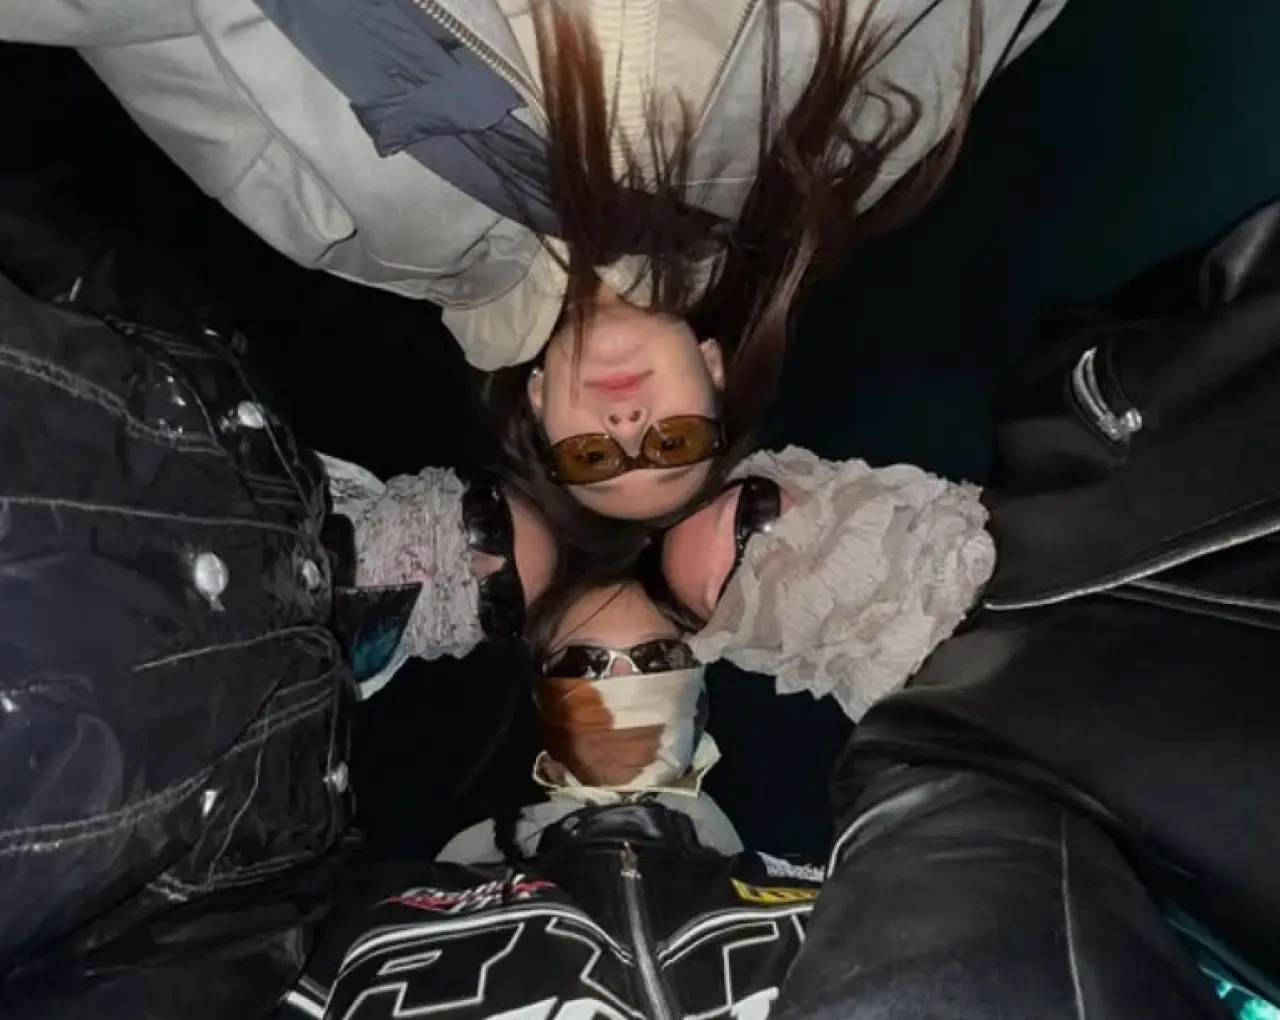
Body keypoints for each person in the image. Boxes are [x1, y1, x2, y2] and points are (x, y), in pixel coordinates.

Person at [2, 0, 1069, 522]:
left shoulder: (369, 247)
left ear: (540, 413)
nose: (625, 425)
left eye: (595, 458)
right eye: (673, 440)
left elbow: (165, 58)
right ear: (713, 368)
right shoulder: (810, 175)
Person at [772, 197, 1280, 1019]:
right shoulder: (941, 749)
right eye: (740, 603)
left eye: (756, 518)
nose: (780, 564)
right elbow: (959, 906)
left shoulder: (1053, 400)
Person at [659, 446, 994, 719]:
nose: (769, 556)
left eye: (754, 513)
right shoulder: (920, 741)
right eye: (733, 593)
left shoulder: (1006, 446)